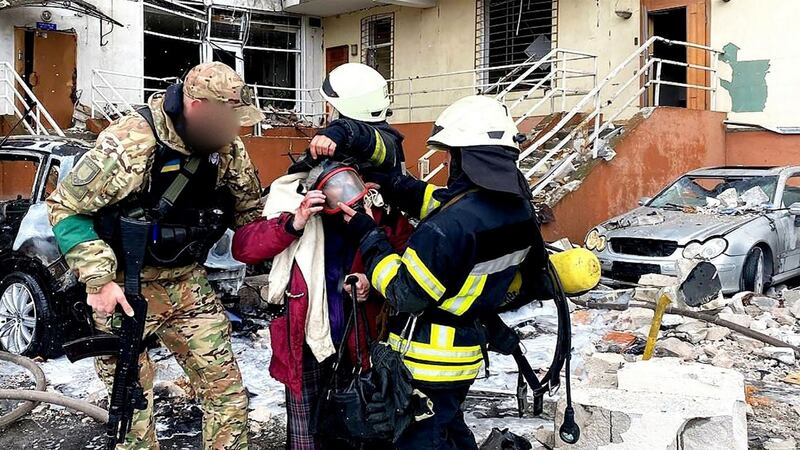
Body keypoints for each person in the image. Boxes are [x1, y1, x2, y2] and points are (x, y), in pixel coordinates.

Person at [46, 62, 264, 450]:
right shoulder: (132, 142)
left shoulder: (226, 145)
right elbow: (66, 208)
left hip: (187, 284)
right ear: (196, 107)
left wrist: (290, 225)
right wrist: (98, 280)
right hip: (126, 289)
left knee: (227, 394)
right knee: (133, 410)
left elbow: (249, 209)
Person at [339, 95, 540, 450]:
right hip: (463, 355)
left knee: (422, 438)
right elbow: (446, 203)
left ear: (467, 158)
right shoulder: (517, 209)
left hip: (428, 363)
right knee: (448, 425)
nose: (448, 162)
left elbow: (404, 291)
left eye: (452, 154)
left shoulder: (449, 228)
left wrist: (369, 235)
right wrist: (394, 184)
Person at [231, 62, 410, 450]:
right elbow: (243, 246)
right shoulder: (299, 185)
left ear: (337, 111)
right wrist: (292, 224)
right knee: (308, 436)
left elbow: (402, 257)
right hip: (305, 335)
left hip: (362, 336)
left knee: (363, 430)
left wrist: (372, 285)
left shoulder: (385, 193)